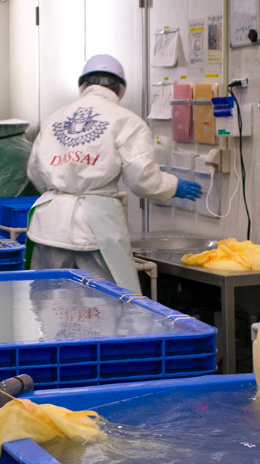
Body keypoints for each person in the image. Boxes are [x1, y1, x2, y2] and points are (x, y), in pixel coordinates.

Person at [26, 55, 203, 292]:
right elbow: (142, 179)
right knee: (107, 301)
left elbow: (35, 170)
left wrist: (62, 189)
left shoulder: (53, 119)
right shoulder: (127, 121)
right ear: (120, 88)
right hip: (95, 225)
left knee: (50, 300)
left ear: (82, 85)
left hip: (49, 224)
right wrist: (172, 186)